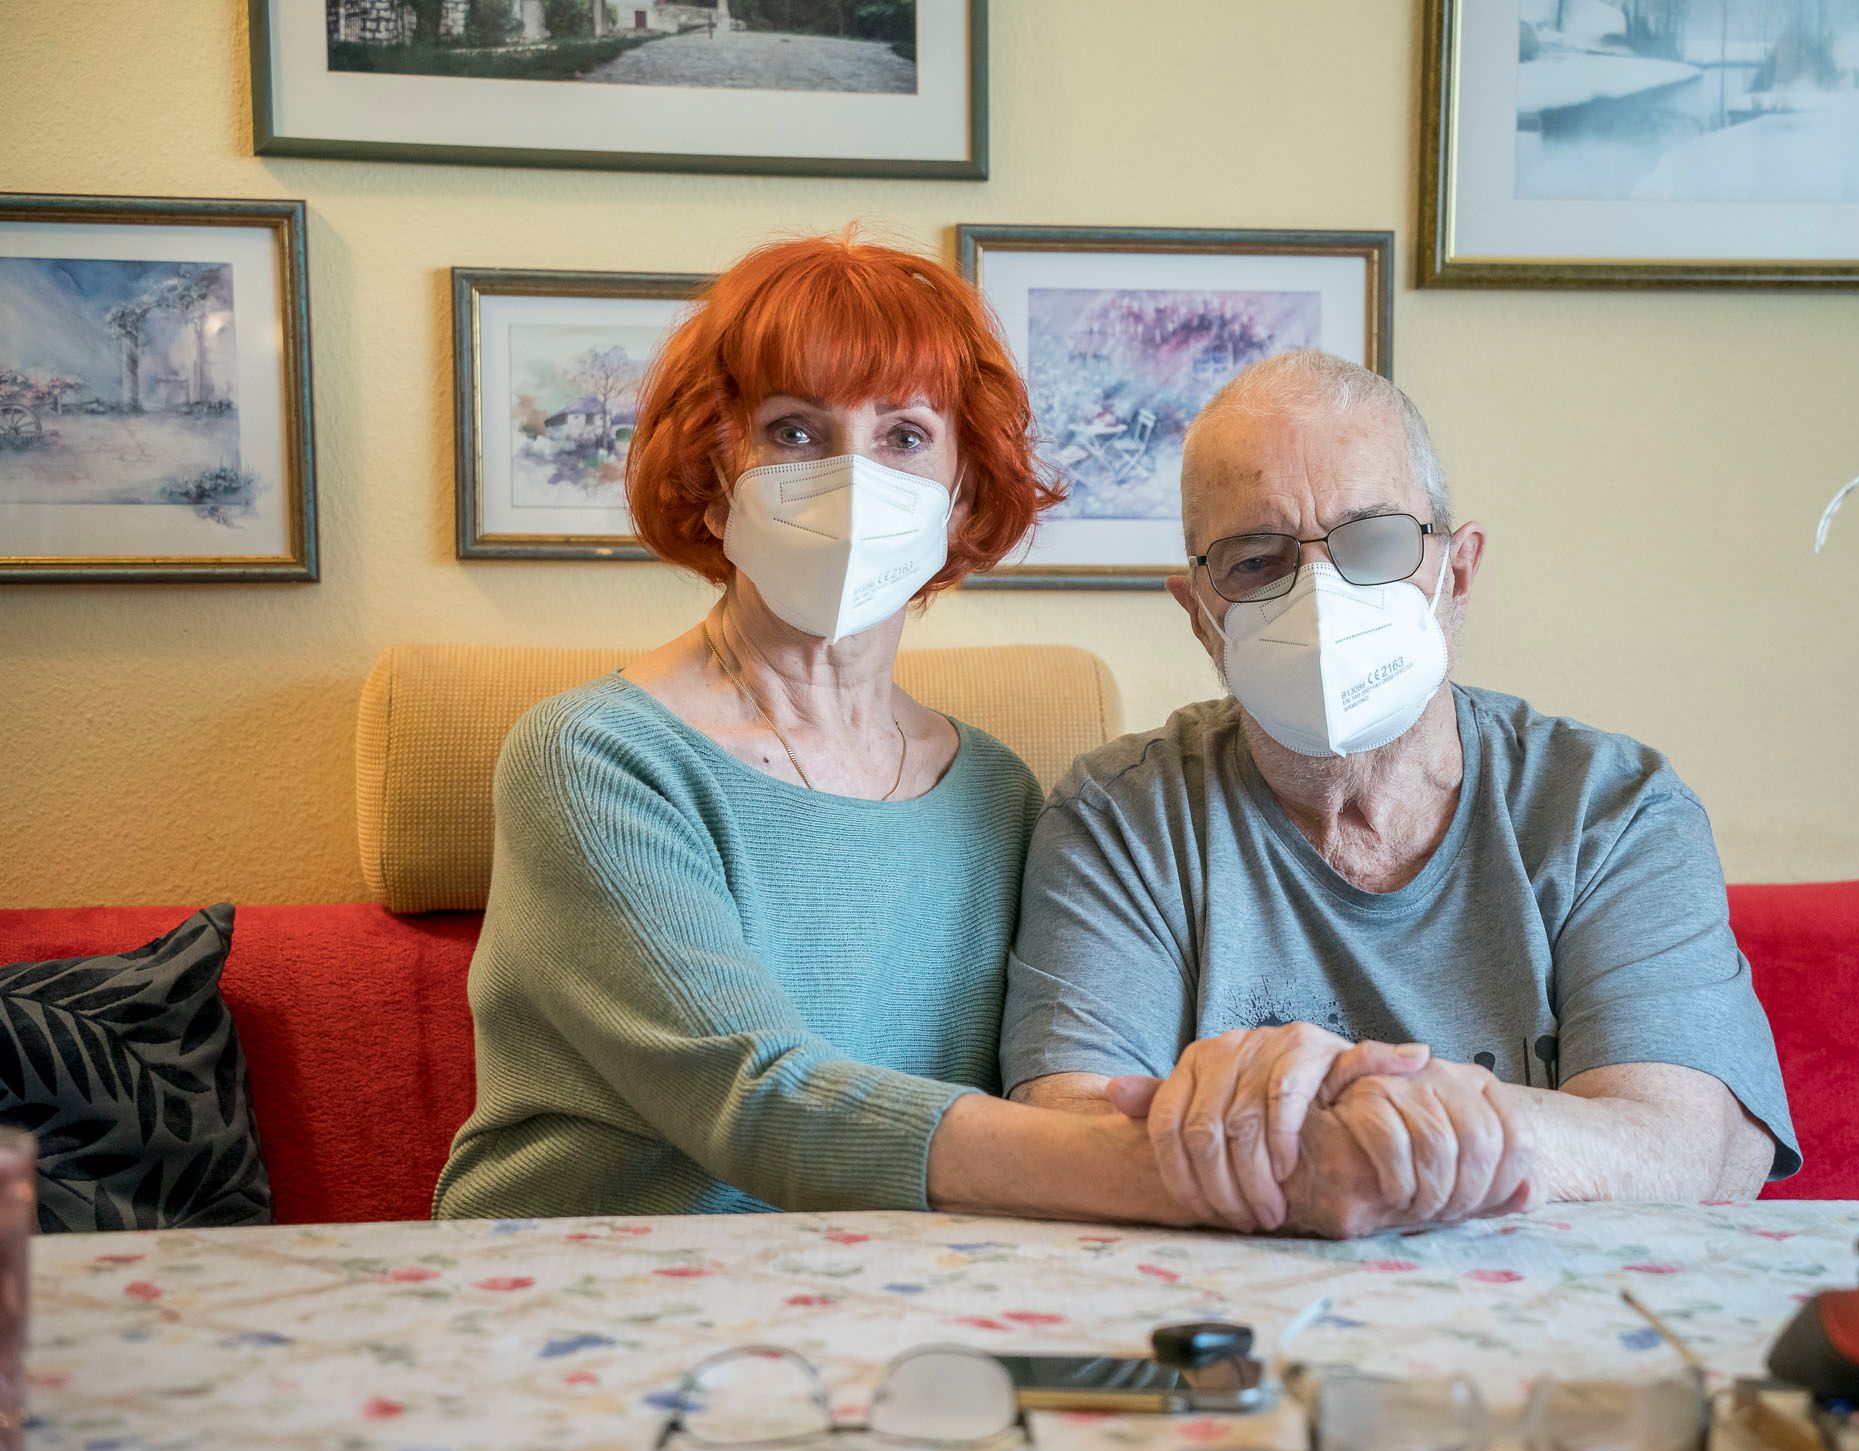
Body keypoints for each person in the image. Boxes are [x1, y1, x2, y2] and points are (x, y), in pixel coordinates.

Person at [431, 237, 1432, 1235]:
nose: (851, 479)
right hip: (584, 1293)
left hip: (900, 1299)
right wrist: (1227, 1177)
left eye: (905, 436)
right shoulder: (593, 759)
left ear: (960, 497)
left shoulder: (996, 791)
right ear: (709, 470)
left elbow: (1052, 1090)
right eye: (791, 432)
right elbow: (758, 1101)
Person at [1001, 348, 1801, 1238]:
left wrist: (1369, 1130)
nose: (1322, 597)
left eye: (1374, 541)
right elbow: (1063, 1130)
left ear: (1456, 575)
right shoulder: (1120, 816)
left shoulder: (1610, 809)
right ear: (1201, 617)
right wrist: (1451, 1134)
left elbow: (1683, 1143)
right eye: (1257, 561)